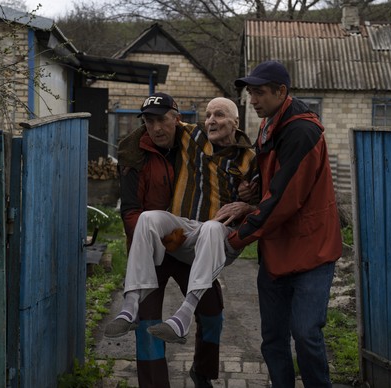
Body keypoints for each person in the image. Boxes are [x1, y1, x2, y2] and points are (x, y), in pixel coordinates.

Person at [214, 61, 343, 388]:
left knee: (305, 333)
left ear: (281, 92)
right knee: (272, 338)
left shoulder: (302, 131)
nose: (252, 100)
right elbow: (270, 175)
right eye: (250, 93)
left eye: (259, 93)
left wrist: (236, 239)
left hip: (311, 250)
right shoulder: (270, 124)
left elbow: (284, 200)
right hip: (277, 250)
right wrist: (252, 190)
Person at [113, 97, 258, 346]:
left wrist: (249, 203)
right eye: (209, 115)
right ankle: (130, 305)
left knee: (212, 229)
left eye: (220, 115)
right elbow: (154, 126)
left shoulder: (250, 159)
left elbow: (270, 201)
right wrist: (126, 152)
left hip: (219, 240)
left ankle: (184, 316)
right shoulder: (191, 136)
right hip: (184, 232)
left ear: (236, 122)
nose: (212, 120)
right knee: (148, 219)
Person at [105, 93, 227, 388]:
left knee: (212, 309)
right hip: (151, 250)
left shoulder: (197, 146)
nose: (156, 128)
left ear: (176, 117)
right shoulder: (134, 153)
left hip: (187, 246)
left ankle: (202, 371)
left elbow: (228, 169)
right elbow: (131, 212)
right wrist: (160, 241)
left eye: (162, 120)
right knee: (146, 323)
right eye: (149, 121)